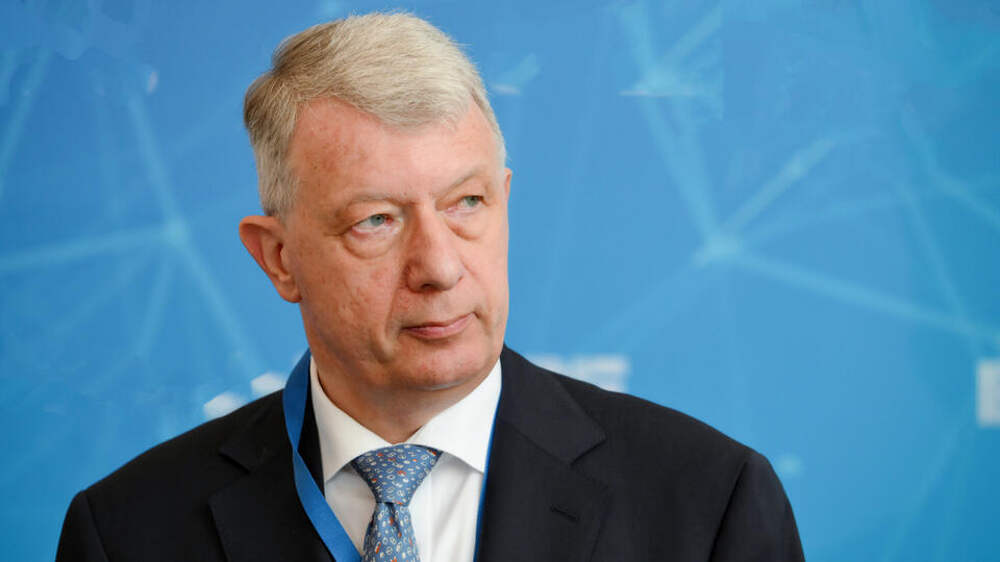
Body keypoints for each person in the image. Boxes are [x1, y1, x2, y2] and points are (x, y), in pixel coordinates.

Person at [56, 12, 804, 562]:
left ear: (505, 201)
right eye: (377, 220)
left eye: (466, 204)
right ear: (279, 258)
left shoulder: (708, 502)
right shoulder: (127, 533)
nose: (440, 267)